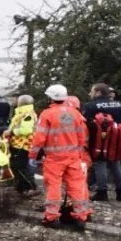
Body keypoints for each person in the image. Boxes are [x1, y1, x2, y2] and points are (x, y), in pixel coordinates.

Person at [30, 83, 90, 231]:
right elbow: (82, 137)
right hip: (74, 157)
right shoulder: (75, 113)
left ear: (50, 98)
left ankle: (51, 217)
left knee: (54, 186)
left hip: (55, 158)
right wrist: (79, 154)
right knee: (77, 187)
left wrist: (33, 154)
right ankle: (81, 216)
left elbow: (39, 138)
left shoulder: (47, 114)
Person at [83, 83, 121, 202]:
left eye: (92, 91)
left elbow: (86, 122)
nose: (90, 93)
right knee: (115, 164)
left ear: (98, 92)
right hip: (116, 138)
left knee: (100, 163)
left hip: (98, 139)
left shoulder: (91, 105)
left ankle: (102, 192)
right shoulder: (119, 105)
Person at [6, 94, 38, 195]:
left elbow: (26, 130)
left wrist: (11, 132)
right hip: (18, 144)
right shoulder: (22, 113)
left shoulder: (27, 114)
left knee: (20, 167)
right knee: (19, 167)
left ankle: (30, 187)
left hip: (22, 145)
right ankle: (21, 188)